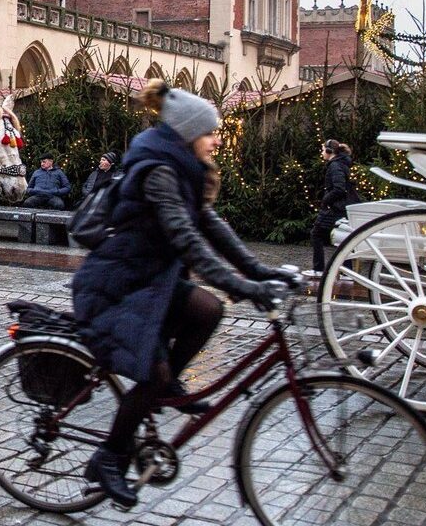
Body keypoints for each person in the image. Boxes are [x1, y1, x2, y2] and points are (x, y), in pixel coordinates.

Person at [70, 81, 300, 509]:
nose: (216, 140)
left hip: (149, 281)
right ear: (188, 134)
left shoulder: (177, 167)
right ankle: (109, 457)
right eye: (210, 132)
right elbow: (187, 239)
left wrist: (259, 270)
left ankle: (160, 390)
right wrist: (244, 287)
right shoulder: (157, 170)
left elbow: (210, 226)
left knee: (208, 309)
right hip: (117, 286)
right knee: (152, 374)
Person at [311, 139, 357, 277]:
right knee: (343, 238)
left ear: (329, 151)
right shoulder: (340, 164)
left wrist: (325, 200)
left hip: (335, 207)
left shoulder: (335, 166)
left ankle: (319, 270)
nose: (322, 152)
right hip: (341, 207)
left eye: (323, 150)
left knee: (316, 234)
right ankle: (347, 273)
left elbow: (339, 189)